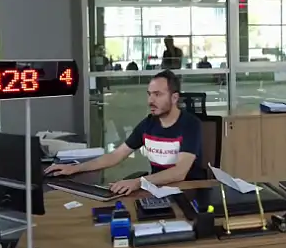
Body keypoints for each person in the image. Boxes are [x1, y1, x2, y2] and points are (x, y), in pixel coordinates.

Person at [44, 70, 204, 194]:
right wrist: (75, 168)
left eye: (158, 95)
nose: (150, 100)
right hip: (157, 190)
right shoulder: (148, 124)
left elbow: (179, 173)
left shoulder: (190, 125)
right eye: (149, 94)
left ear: (174, 98)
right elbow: (116, 155)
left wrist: (138, 182)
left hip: (189, 190)